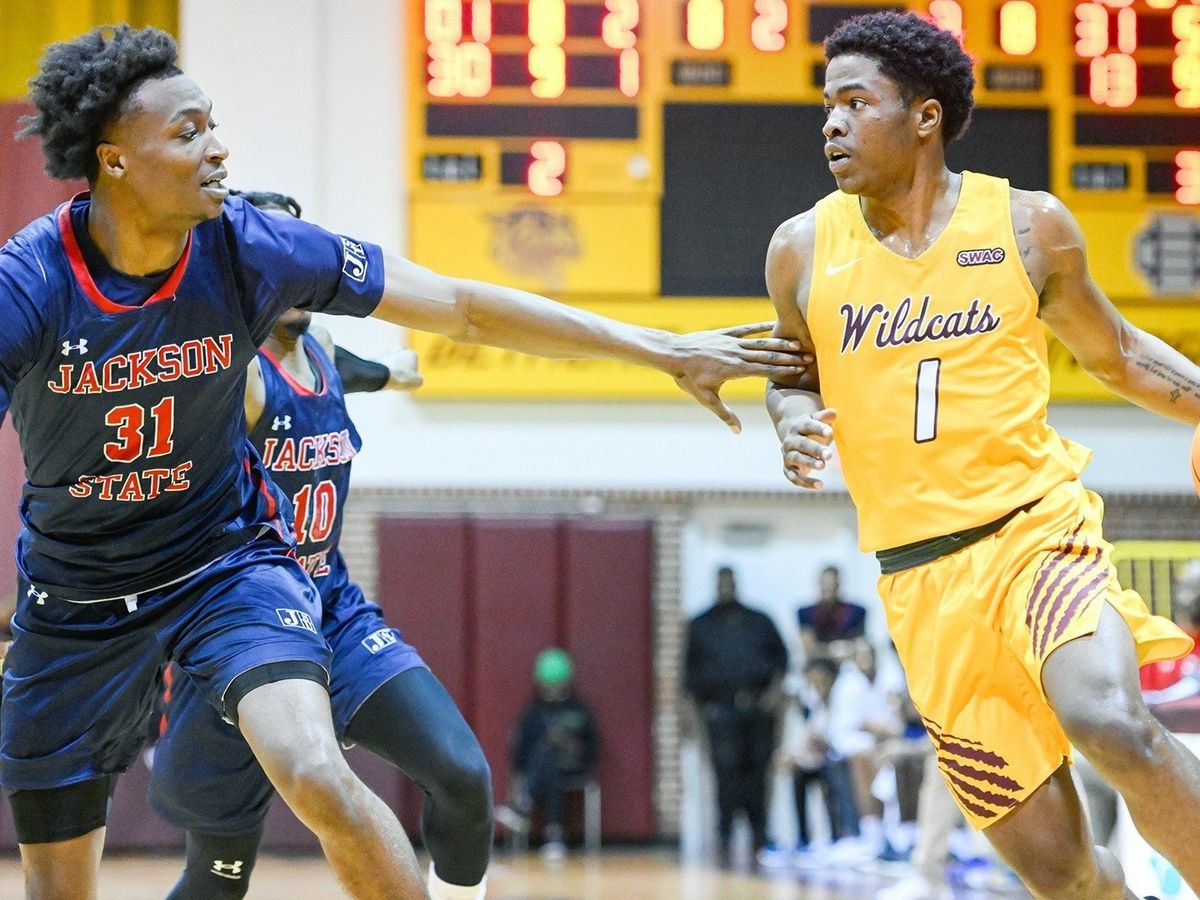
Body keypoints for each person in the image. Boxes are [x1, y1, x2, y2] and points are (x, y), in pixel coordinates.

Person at [0, 25, 810, 900]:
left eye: (215, 122)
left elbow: (459, 305)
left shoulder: (251, 244)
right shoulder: (31, 280)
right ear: (115, 161)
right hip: (72, 597)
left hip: (224, 568)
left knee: (315, 768)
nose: (219, 145)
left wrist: (660, 349)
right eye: (189, 131)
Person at [765, 10, 1200, 898]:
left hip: (1034, 537)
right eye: (826, 106)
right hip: (920, 580)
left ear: (924, 116)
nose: (832, 124)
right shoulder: (802, 247)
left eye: (856, 102)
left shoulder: (1030, 225)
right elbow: (789, 371)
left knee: (1111, 722)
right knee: (1062, 873)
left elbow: (1118, 354)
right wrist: (790, 415)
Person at [147, 190, 492, 900]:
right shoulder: (237, 370)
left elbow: (352, 368)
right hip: (242, 628)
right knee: (218, 875)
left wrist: (392, 372)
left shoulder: (324, 349)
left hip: (331, 609)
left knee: (462, 777)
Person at [683, 567, 789, 861]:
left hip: (757, 709)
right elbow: (688, 678)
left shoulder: (760, 620)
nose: (725, 587)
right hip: (720, 710)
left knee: (758, 771)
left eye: (730, 582)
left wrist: (773, 695)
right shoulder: (700, 625)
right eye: (721, 582)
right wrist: (691, 717)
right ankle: (725, 833)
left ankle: (760, 832)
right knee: (726, 773)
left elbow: (782, 661)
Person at [507, 648, 600, 861]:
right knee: (548, 759)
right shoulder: (532, 712)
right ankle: (554, 835)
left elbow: (593, 749)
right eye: (548, 685)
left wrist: (570, 745)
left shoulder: (580, 710)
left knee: (552, 757)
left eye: (557, 685)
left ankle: (523, 806)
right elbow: (519, 751)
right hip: (542, 770)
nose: (552, 690)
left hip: (572, 765)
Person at [797, 565, 867, 660]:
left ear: (838, 586)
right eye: (825, 584)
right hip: (819, 666)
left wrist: (823, 649)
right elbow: (809, 649)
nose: (828, 589)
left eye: (832, 585)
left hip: (848, 665)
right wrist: (836, 649)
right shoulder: (805, 613)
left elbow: (858, 646)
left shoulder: (856, 612)